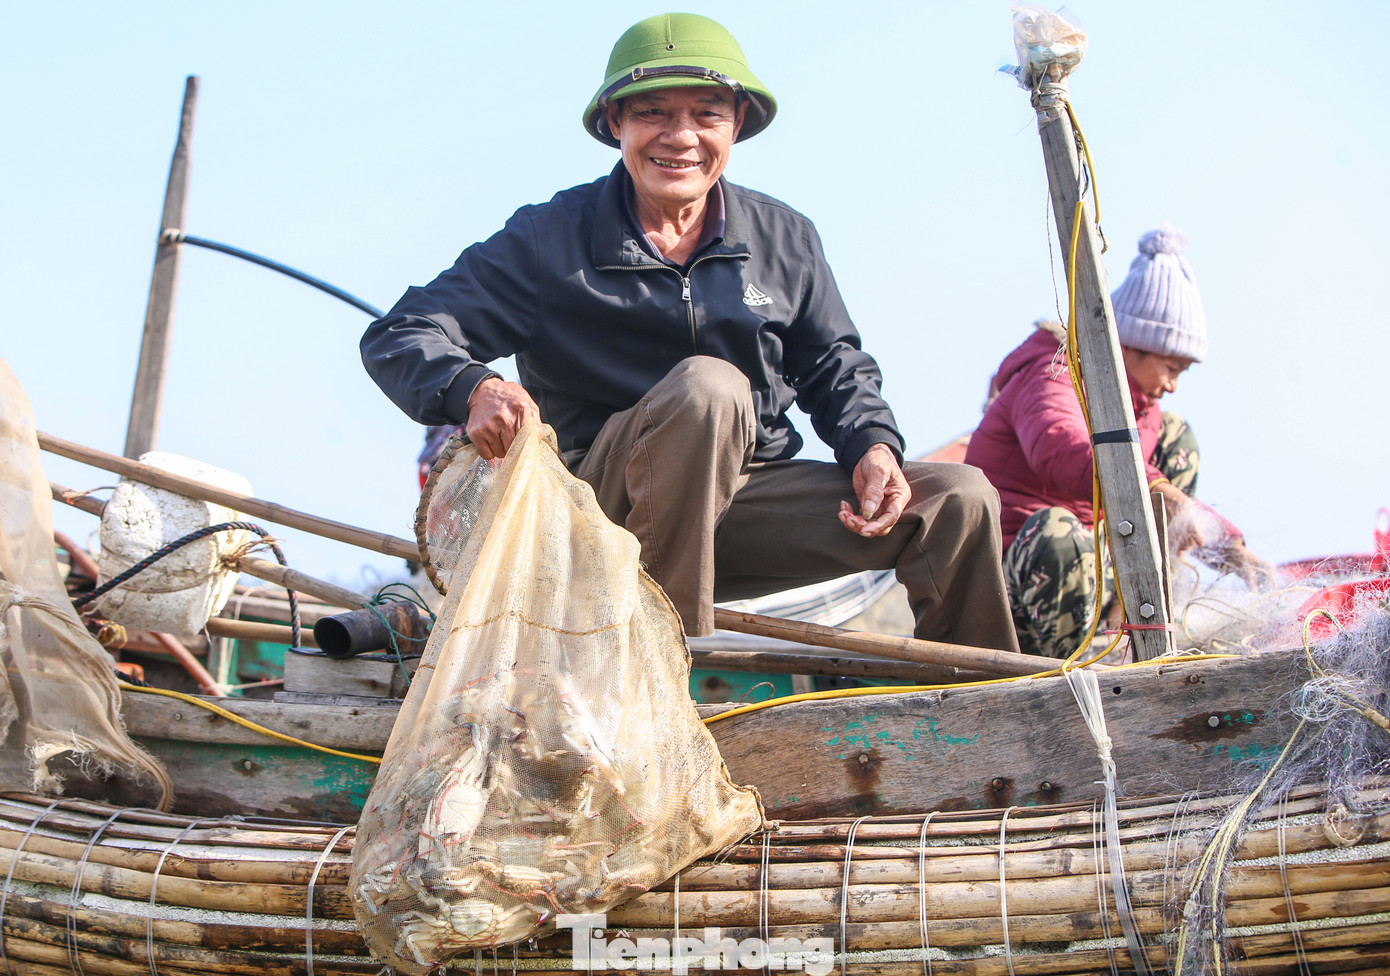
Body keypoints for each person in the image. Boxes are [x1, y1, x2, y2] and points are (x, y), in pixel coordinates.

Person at [361, 13, 1019, 652]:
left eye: (706, 114)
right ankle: (651, 669)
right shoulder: (547, 238)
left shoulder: (785, 238)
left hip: (743, 505)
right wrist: (474, 387)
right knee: (710, 388)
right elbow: (401, 332)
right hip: (596, 516)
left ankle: (982, 706)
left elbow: (834, 366)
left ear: (736, 124)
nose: (681, 137)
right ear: (616, 122)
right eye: (653, 113)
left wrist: (873, 444)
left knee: (958, 497)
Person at [963, 223, 1274, 658]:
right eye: (1171, 368)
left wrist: (1230, 546)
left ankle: (1134, 618)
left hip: (1093, 569)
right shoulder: (1053, 373)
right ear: (1129, 346)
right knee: (1059, 534)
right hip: (1015, 581)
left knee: (1178, 439)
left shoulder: (1145, 408)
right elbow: (1058, 448)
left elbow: (1165, 495)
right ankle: (1069, 670)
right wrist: (1156, 487)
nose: (1174, 385)